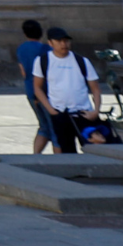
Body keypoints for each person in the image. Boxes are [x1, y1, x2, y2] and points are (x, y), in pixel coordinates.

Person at [31, 26, 103, 155]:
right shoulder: (42, 61)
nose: (63, 44)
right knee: (66, 151)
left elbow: (95, 88)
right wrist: (51, 110)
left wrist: (96, 111)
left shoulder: (82, 61)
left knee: (95, 148)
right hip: (60, 113)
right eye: (59, 41)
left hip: (84, 113)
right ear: (50, 43)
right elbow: (37, 87)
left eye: (66, 41)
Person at [15, 20, 51, 154]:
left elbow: (23, 71)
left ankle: (35, 155)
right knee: (54, 128)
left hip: (30, 89)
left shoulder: (21, 49)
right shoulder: (47, 49)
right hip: (46, 91)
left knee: (43, 126)